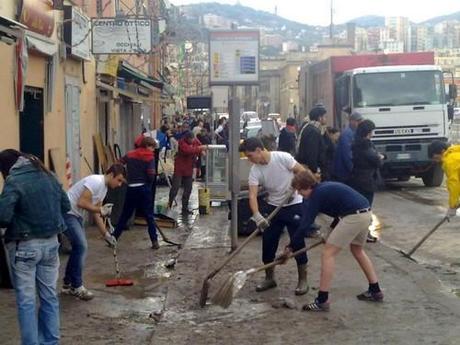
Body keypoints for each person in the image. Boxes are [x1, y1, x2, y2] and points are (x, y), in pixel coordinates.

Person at [283, 170, 383, 312]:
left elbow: (306, 223)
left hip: (353, 216)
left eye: (299, 190)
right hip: (365, 212)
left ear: (306, 186)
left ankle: (322, 300)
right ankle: (375, 290)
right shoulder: (324, 188)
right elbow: (340, 211)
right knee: (357, 250)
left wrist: (291, 246)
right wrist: (330, 232)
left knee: (328, 254)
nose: (299, 194)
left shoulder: (316, 195)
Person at [0, 150, 70, 344]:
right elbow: (65, 206)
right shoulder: (49, 176)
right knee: (49, 296)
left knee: (27, 300)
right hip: (50, 245)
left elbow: (3, 217)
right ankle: (50, 341)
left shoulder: (14, 181)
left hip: (24, 247)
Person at [240, 137, 309, 295]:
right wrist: (257, 216)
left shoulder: (282, 157)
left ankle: (303, 280)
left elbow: (302, 172)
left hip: (294, 205)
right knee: (268, 241)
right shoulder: (255, 170)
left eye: (250, 156)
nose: (250, 160)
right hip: (273, 207)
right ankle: (270, 278)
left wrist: (296, 188)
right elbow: (252, 195)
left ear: (259, 150)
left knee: (297, 241)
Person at [62, 164, 125, 301]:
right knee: (81, 246)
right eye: (119, 180)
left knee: (78, 248)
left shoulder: (104, 189)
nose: (119, 184)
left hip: (75, 215)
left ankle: (67, 284)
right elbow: (81, 202)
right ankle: (76, 286)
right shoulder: (96, 181)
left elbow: (96, 212)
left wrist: (106, 235)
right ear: (111, 175)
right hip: (67, 212)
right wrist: (101, 210)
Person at [113, 137, 159, 249]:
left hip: (131, 188)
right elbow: (151, 174)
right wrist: (148, 185)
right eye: (152, 147)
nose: (153, 150)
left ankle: (114, 237)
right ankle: (154, 241)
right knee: (149, 216)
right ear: (148, 146)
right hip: (144, 188)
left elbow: (118, 164)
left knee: (125, 214)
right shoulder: (149, 157)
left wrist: (123, 178)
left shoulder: (130, 154)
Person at [348, 120, 385, 243]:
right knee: (366, 208)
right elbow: (376, 160)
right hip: (366, 180)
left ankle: (358, 232)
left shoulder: (357, 143)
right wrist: (381, 157)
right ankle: (364, 233)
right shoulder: (365, 145)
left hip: (358, 178)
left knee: (360, 207)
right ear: (368, 132)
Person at [168, 131, 207, 214]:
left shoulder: (194, 140)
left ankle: (184, 208)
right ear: (187, 138)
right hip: (179, 168)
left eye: (193, 139)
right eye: (191, 140)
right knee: (175, 187)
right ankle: (169, 204)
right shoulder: (181, 143)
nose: (193, 141)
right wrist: (200, 149)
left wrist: (201, 151)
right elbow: (189, 150)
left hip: (189, 168)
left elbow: (199, 145)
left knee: (188, 188)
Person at [428, 140, 460, 219]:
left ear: (442, 151)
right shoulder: (456, 155)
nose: (436, 161)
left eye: (435, 157)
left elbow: (454, 184)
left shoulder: (450, 161)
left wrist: (452, 206)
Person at [296, 105, 328, 180]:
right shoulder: (313, 132)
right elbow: (312, 154)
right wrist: (315, 172)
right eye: (325, 116)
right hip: (314, 173)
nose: (326, 119)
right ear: (320, 118)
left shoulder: (309, 128)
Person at [333, 111, 364, 182]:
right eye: (358, 121)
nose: (360, 123)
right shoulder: (347, 134)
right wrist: (353, 170)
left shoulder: (354, 132)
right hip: (344, 171)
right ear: (351, 121)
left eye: (360, 121)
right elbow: (347, 154)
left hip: (347, 171)